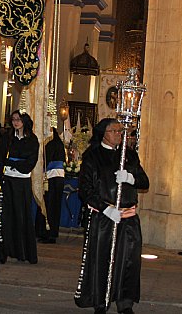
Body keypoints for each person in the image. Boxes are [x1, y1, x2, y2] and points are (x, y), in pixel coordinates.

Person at [74, 118, 149, 314]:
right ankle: (101, 301)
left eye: (120, 131)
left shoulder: (129, 155)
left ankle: (125, 302)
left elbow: (144, 181)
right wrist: (106, 209)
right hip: (105, 218)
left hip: (128, 217)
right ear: (103, 133)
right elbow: (85, 189)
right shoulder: (92, 156)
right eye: (114, 131)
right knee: (103, 260)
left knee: (128, 261)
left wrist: (130, 178)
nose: (118, 134)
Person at [0, 110, 39, 264]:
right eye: (13, 120)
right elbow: (0, 157)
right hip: (7, 180)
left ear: (24, 121)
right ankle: (2, 251)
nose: (15, 122)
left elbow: (30, 162)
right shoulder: (7, 138)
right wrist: (11, 163)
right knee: (4, 217)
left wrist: (12, 163)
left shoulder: (32, 140)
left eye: (18, 120)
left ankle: (22, 251)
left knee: (20, 215)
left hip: (21, 182)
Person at [36, 127, 66, 244]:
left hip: (51, 179)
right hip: (55, 179)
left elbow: (45, 160)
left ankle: (48, 233)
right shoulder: (56, 143)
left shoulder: (51, 143)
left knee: (49, 206)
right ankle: (46, 231)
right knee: (51, 206)